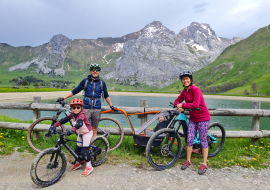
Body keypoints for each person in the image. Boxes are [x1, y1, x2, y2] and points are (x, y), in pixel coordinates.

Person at [57, 63, 116, 139]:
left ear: (99, 72)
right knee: (84, 128)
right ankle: (84, 147)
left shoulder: (102, 83)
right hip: (85, 108)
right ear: (90, 71)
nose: (95, 71)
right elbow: (75, 90)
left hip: (96, 108)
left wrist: (111, 106)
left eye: (97, 70)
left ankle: (92, 147)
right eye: (93, 70)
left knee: (94, 129)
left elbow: (106, 95)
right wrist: (63, 98)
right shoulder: (85, 81)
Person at [174, 70, 211, 175]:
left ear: (190, 80)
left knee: (203, 140)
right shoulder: (184, 91)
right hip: (193, 118)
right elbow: (177, 100)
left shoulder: (196, 89)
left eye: (187, 79)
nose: (185, 81)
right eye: (183, 79)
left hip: (203, 117)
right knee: (189, 139)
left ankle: (204, 164)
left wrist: (183, 105)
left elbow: (195, 105)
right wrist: (178, 105)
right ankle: (188, 161)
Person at [50, 98, 93, 177]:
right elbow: (65, 119)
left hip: (87, 133)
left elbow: (79, 123)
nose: (76, 109)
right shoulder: (73, 114)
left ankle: (89, 166)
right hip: (80, 133)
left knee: (85, 151)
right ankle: (78, 163)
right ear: (71, 108)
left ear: (81, 108)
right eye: (74, 107)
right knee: (77, 149)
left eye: (78, 107)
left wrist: (72, 130)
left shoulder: (82, 114)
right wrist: (55, 125)